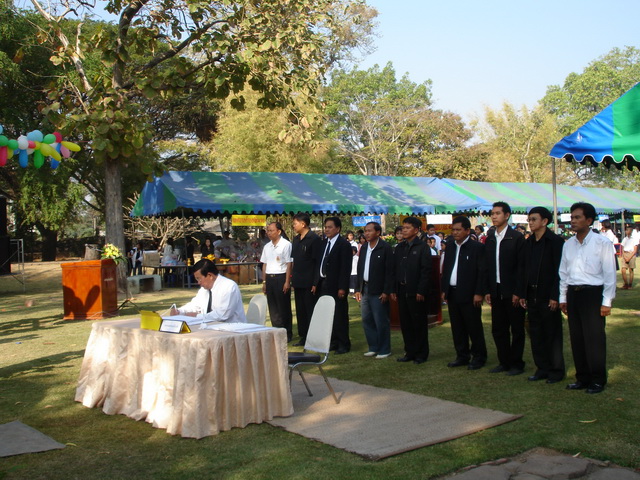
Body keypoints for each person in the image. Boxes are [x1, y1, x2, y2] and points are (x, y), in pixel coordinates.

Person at [560, 202, 616, 395]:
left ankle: (597, 379)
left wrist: (606, 302)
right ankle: (582, 377)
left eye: (577, 217)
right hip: (573, 293)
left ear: (589, 220)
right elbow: (563, 273)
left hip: (593, 294)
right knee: (577, 338)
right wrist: (563, 297)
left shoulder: (602, 243)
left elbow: (609, 274)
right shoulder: (568, 244)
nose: (573, 221)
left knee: (594, 338)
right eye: (572, 217)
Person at [520, 207, 565, 384]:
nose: (530, 223)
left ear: (545, 221)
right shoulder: (529, 242)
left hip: (548, 295)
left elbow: (560, 271)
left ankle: (556, 370)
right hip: (532, 295)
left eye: (534, 219)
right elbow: (524, 269)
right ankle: (542, 368)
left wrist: (555, 295)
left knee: (552, 334)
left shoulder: (555, 242)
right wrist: (523, 293)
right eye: (529, 220)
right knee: (536, 333)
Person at [484, 201, 527, 376]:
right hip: (496, 290)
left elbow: (522, 267)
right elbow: (487, 266)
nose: (494, 216)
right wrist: (488, 289)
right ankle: (504, 361)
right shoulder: (490, 237)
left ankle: (517, 363)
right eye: (492, 214)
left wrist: (519, 291)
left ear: (507, 215)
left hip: (512, 291)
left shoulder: (516, 237)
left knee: (516, 329)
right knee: (498, 329)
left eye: (497, 213)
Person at [441, 216, 487, 370]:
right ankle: (462, 356)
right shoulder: (450, 246)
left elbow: (482, 272)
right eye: (453, 230)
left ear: (467, 230)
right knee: (457, 327)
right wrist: (444, 289)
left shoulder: (477, 248)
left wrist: (479, 292)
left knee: (473, 327)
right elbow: (447, 269)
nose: (455, 232)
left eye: (458, 230)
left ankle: (479, 357)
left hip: (470, 294)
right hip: (453, 292)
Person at [391, 216, 432, 364]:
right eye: (403, 228)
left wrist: (421, 290)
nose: (404, 230)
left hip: (416, 292)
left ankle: (421, 354)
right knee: (406, 324)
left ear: (416, 230)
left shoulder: (422, 247)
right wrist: (394, 289)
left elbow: (426, 271)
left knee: (418, 323)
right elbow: (395, 270)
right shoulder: (399, 247)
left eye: (407, 228)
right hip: (402, 290)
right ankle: (409, 352)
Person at [355, 222, 394, 359]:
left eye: (369, 231)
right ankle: (373, 346)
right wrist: (358, 288)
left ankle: (384, 349)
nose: (366, 233)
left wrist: (386, 291)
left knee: (380, 320)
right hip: (365, 288)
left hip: (378, 290)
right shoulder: (364, 247)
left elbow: (390, 271)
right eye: (365, 231)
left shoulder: (385, 248)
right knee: (367, 319)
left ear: (378, 232)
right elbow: (360, 268)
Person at [313, 216, 352, 354]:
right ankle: (333, 341)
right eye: (326, 227)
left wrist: (342, 287)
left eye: (330, 227)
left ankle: (343, 344)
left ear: (338, 229)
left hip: (336, 285)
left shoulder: (344, 244)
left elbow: (345, 268)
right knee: (327, 314)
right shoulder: (323, 243)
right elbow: (319, 263)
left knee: (339, 315)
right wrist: (315, 282)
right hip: (323, 283)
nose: (327, 229)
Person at [170, 258, 246, 323]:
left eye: (199, 278)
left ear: (210, 276)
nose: (198, 282)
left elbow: (222, 314)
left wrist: (197, 316)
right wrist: (180, 311)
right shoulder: (204, 290)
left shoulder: (229, 287)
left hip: (233, 330)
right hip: (211, 328)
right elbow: (195, 305)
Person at [290, 212, 322, 346]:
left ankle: (313, 336)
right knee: (300, 311)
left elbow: (317, 262)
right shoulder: (296, 239)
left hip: (309, 281)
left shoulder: (314, 239)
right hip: (298, 281)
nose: (293, 226)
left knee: (310, 310)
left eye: (295, 223)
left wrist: (315, 282)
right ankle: (303, 336)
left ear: (303, 224)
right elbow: (294, 260)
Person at [260, 222, 293, 340]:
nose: (269, 233)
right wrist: (264, 282)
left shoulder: (286, 244)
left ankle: (287, 333)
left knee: (283, 307)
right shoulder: (267, 246)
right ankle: (277, 332)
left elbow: (289, 264)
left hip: (281, 277)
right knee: (273, 307)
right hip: (270, 278)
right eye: (268, 230)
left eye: (271, 230)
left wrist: (287, 281)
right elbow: (264, 264)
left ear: (279, 231)